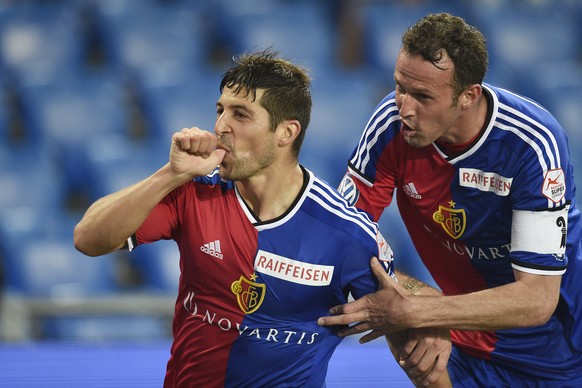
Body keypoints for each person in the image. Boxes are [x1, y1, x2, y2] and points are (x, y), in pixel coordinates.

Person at [74, 49, 447, 387]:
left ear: (286, 132)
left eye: (240, 115)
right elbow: (88, 239)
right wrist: (169, 175)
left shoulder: (344, 232)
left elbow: (414, 341)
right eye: (220, 110)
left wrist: (430, 322)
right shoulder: (192, 193)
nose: (221, 127)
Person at [318, 12, 582, 387]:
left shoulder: (531, 144)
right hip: (457, 338)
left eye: (423, 96)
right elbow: (342, 239)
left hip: (562, 346)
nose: (404, 107)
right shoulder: (391, 126)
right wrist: (418, 307)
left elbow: (537, 300)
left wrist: (425, 313)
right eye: (399, 87)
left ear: (468, 96)